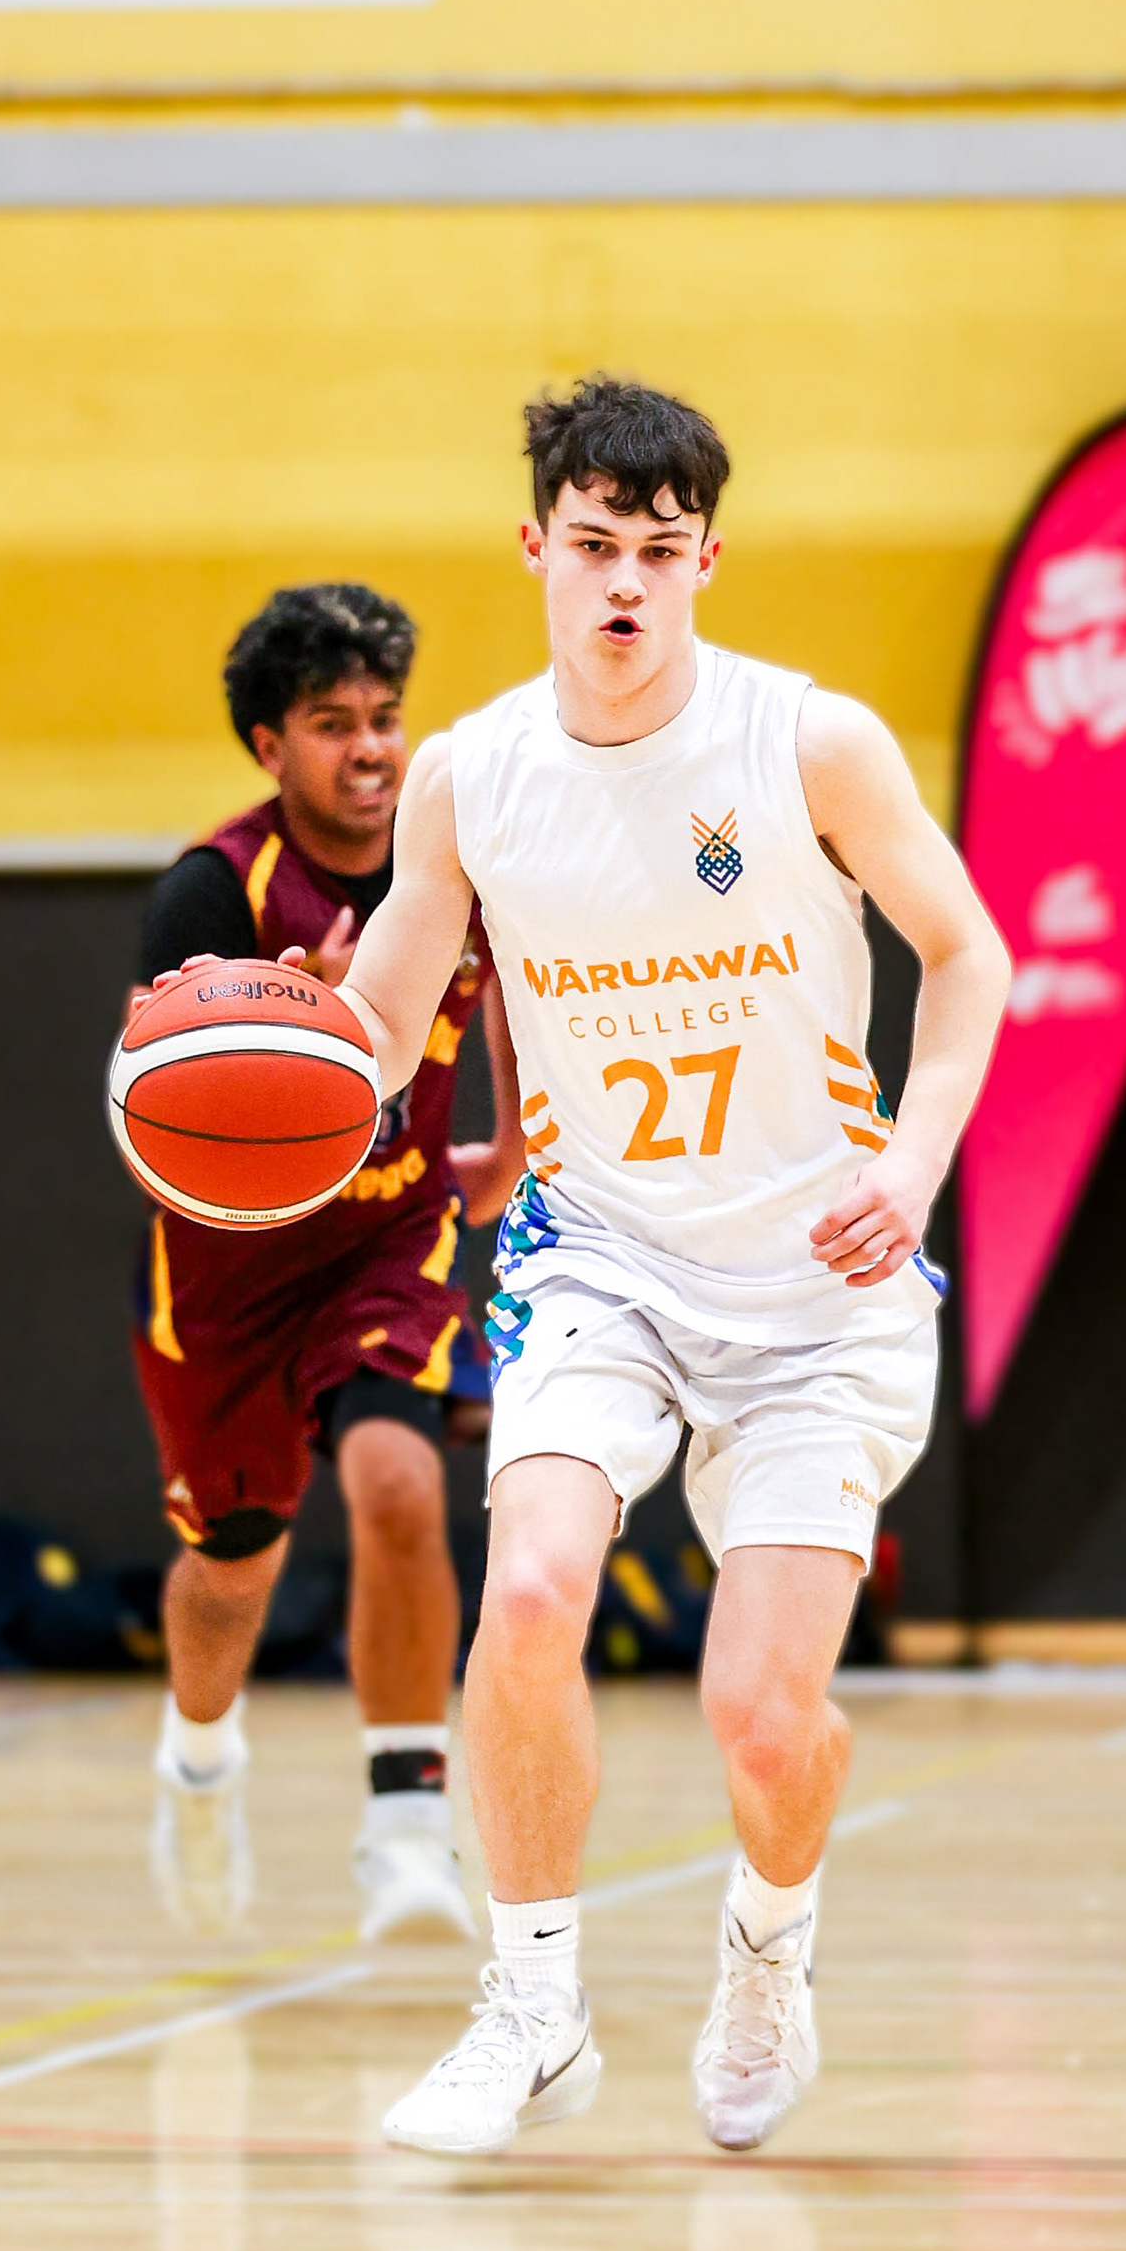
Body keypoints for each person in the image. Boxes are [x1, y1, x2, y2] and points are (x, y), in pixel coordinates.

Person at [278, 378, 1009, 2155]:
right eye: (594, 545)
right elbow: (382, 1022)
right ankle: (533, 2009)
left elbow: (968, 953)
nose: (624, 583)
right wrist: (274, 1054)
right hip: (598, 1257)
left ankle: (770, 1942)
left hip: (820, 1284)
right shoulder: (468, 778)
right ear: (535, 545)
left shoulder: (809, 744)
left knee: (761, 1719)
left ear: (706, 561)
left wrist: (913, 1165)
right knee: (530, 1591)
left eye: (659, 553)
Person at [135, 584, 523, 1943]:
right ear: (269, 745)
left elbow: (515, 986)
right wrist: (296, 1020)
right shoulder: (214, 888)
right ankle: (198, 1765)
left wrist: (511, 1142)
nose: (370, 748)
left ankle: (407, 1832)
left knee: (399, 1480)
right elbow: (149, 1123)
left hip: (390, 1237)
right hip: (230, 1277)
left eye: (385, 717)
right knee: (230, 1573)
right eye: (332, 723)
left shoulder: (453, 858)